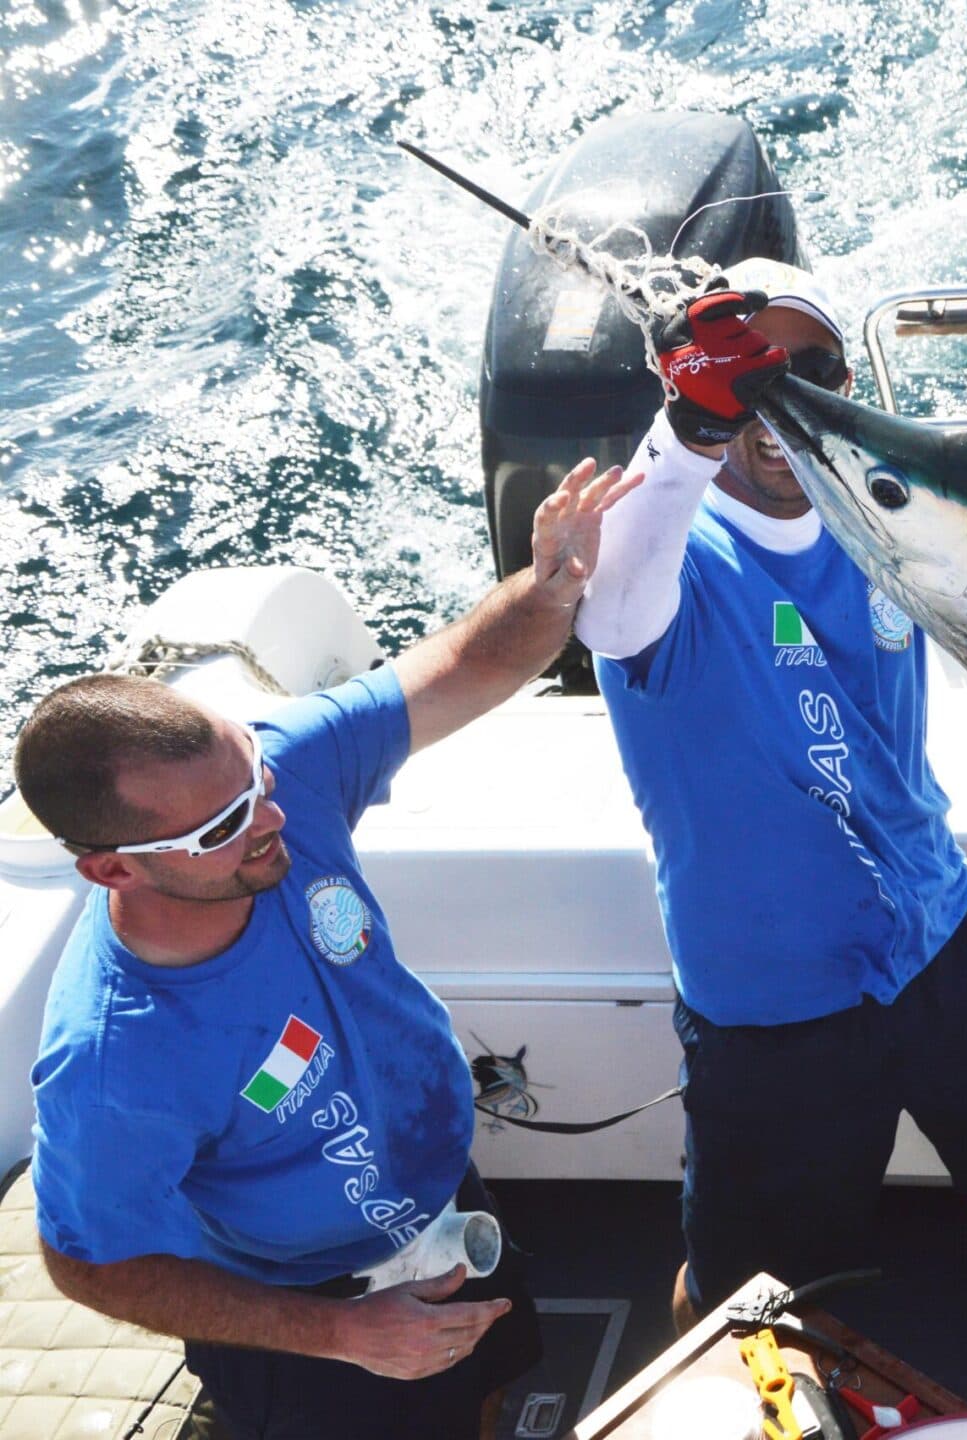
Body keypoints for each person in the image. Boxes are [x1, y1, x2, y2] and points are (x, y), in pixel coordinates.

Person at [573, 258, 967, 1367]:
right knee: (746, 1271)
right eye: (746, 381)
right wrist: (689, 426)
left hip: (936, 931)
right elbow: (611, 603)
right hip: (771, 1000)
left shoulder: (887, 519)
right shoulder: (668, 558)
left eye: (806, 370)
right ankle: (746, 1371)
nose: (773, 401)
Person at [16, 459, 640, 1440]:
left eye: (253, 776)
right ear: (112, 871)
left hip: (445, 1206)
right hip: (309, 1311)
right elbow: (88, 1261)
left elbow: (458, 671)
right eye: (220, 826)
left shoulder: (279, 785)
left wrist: (551, 584)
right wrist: (341, 1335)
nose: (270, 817)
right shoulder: (115, 1059)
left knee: (487, 1388)